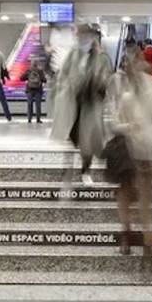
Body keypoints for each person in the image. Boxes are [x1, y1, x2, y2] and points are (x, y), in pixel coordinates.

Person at [110, 46, 152, 273]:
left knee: (132, 200)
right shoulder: (142, 97)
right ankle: (138, 244)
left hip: (137, 155)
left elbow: (115, 124)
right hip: (137, 155)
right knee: (137, 201)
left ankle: (132, 240)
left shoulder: (139, 97)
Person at [50, 24, 112, 185]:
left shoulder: (101, 57)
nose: (83, 39)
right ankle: (68, 170)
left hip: (91, 104)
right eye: (81, 36)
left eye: (86, 36)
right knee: (71, 138)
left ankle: (86, 171)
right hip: (72, 103)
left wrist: (99, 81)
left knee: (88, 141)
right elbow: (63, 75)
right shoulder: (73, 54)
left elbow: (107, 81)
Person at [21, 58, 47, 124]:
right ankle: (38, 119)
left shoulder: (29, 70)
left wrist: (26, 76)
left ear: (31, 64)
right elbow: (44, 80)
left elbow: (21, 78)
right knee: (38, 105)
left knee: (29, 104)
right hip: (38, 90)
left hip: (29, 89)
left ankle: (29, 119)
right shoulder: (40, 71)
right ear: (37, 64)